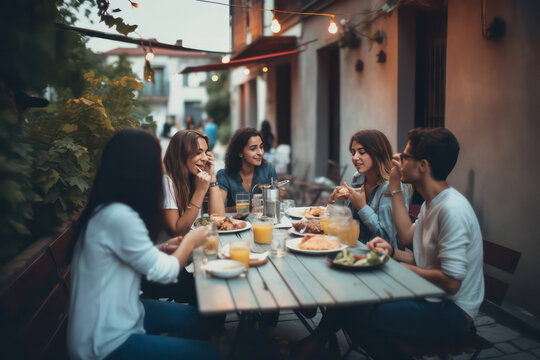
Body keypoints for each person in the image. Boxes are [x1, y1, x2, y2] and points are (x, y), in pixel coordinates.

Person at [293, 127, 484, 360]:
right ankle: (314, 343)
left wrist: (398, 267)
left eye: (404, 156)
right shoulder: (431, 204)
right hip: (428, 296)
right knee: (350, 298)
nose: (397, 159)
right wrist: (392, 251)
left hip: (451, 312)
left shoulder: (452, 210)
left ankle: (312, 344)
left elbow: (451, 283)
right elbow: (406, 239)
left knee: (355, 308)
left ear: (422, 165)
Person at [67, 129, 220, 360]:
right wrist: (191, 240)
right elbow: (165, 272)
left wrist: (159, 249)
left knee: (201, 319)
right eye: (156, 159)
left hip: (127, 315)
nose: (161, 166)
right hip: (105, 342)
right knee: (208, 353)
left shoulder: (110, 210)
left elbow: (127, 256)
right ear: (139, 168)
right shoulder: (118, 216)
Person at [328, 129, 409, 248]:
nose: (355, 158)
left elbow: (388, 241)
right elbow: (351, 224)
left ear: (377, 153)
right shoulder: (358, 178)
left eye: (362, 152)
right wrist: (339, 199)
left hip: (380, 258)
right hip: (354, 248)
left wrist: (362, 207)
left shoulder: (391, 186)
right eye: (353, 152)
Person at [162, 130, 224, 237]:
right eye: (198, 152)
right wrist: (200, 192)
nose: (205, 158)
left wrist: (212, 178)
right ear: (181, 155)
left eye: (205, 152)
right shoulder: (166, 182)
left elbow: (218, 219)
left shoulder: (194, 178)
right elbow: (178, 232)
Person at [217, 128, 283, 212]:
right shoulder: (224, 176)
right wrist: (247, 207)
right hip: (237, 223)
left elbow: (276, 203)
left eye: (261, 147)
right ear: (240, 152)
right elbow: (217, 211)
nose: (260, 152)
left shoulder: (268, 169)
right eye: (253, 149)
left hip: (263, 223)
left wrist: (278, 194)